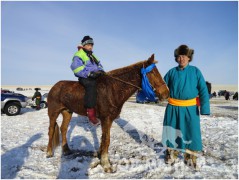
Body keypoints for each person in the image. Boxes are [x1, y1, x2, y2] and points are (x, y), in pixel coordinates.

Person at [162, 45, 210, 170]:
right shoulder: (171, 72)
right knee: (172, 132)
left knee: (191, 133)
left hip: (190, 109)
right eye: (178, 56)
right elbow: (162, 87)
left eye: (184, 56)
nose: (181, 59)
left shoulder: (195, 71)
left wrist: (205, 108)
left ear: (189, 58)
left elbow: (203, 90)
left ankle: (190, 157)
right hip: (173, 108)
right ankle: (171, 154)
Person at [70, 35, 105, 126]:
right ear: (84, 45)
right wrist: (89, 74)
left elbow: (99, 65)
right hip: (85, 77)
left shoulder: (93, 55)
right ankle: (91, 114)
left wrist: (100, 71)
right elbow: (76, 68)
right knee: (91, 86)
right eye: (89, 45)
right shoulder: (78, 54)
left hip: (95, 75)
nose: (91, 46)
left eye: (92, 45)